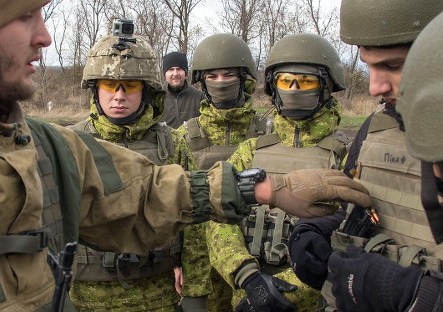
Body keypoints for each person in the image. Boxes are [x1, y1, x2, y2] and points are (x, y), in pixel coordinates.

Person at [0, 1, 373, 310]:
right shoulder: (72, 139)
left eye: (131, 85)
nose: (46, 36)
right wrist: (247, 274)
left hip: (163, 290)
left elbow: (157, 196)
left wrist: (264, 190)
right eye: (23, 15)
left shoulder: (45, 146)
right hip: (90, 293)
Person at [287, 1, 443, 311]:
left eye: (394, 66)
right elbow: (358, 206)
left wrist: (421, 295)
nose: (374, 87)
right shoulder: (375, 128)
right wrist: (320, 232)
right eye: (367, 64)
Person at [206, 33, 349, 312]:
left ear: (327, 85)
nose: (294, 89)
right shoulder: (250, 150)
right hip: (246, 295)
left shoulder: (343, 157)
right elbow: (218, 216)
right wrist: (247, 277)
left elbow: (347, 242)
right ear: (274, 87)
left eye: (306, 81)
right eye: (286, 81)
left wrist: (287, 292)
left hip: (311, 301)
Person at [67, 34, 196, 311]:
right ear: (95, 88)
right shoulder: (69, 144)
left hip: (158, 293)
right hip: (88, 297)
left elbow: (196, 215)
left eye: (131, 85)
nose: (119, 95)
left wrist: (193, 279)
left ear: (147, 89)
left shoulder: (172, 144)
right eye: (110, 85)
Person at [176, 33, 271, 311]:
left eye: (228, 75)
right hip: (199, 261)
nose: (220, 82)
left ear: (245, 79)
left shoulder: (267, 133)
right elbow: (174, 200)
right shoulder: (185, 135)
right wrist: (175, 260)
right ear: (201, 82)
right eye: (212, 76)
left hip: (254, 258)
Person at [159, 51, 203, 128]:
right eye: (171, 69)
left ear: (185, 72)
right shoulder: (156, 99)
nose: (175, 73)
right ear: (164, 74)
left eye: (179, 69)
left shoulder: (200, 97)